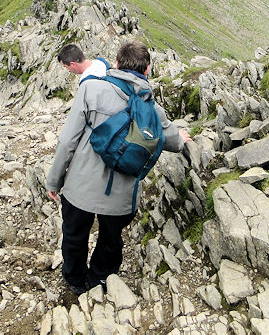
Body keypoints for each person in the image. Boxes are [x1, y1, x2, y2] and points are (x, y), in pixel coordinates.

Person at [46, 41, 191, 293]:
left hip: (80, 188)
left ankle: (75, 280)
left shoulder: (90, 89)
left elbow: (67, 140)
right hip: (121, 197)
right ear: (146, 71)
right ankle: (99, 278)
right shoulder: (152, 109)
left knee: (74, 236)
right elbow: (173, 141)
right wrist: (183, 138)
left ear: (115, 64)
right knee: (111, 239)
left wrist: (54, 180)